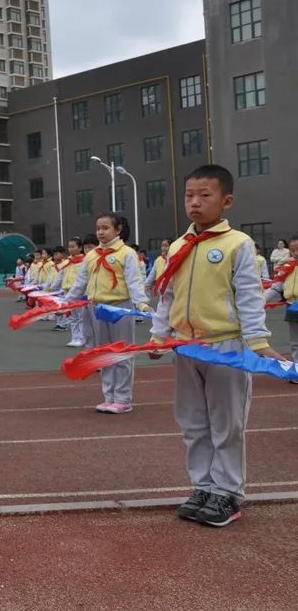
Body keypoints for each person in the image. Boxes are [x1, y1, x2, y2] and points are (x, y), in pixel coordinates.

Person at [150, 164, 285, 527]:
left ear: (226, 201)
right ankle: (203, 486)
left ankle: (227, 493)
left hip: (225, 346)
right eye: (189, 195)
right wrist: (159, 336)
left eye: (204, 195)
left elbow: (249, 297)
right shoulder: (179, 245)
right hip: (185, 347)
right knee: (193, 422)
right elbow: (167, 295)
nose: (194, 202)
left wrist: (257, 343)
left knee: (227, 423)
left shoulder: (237, 244)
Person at [67, 214, 150, 413]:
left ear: (118, 230)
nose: (101, 232)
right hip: (98, 308)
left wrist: (142, 304)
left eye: (105, 228)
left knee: (121, 353)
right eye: (98, 228)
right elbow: (81, 282)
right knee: (103, 353)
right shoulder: (92, 255)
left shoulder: (127, 254)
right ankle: (109, 396)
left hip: (120, 308)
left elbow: (134, 282)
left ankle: (123, 398)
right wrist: (66, 302)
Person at [265, 236, 298, 363]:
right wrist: (260, 300)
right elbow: (276, 288)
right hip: (292, 306)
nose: (295, 253)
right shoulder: (287, 267)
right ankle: (296, 370)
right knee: (295, 342)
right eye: (292, 250)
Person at [61, 238, 87, 348]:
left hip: (79, 292)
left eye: (73, 246)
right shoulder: (67, 261)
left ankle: (81, 338)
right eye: (69, 247)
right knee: (72, 316)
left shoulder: (83, 261)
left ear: (80, 248)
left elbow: (82, 279)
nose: (70, 249)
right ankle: (75, 337)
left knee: (81, 317)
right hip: (68, 292)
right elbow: (60, 276)